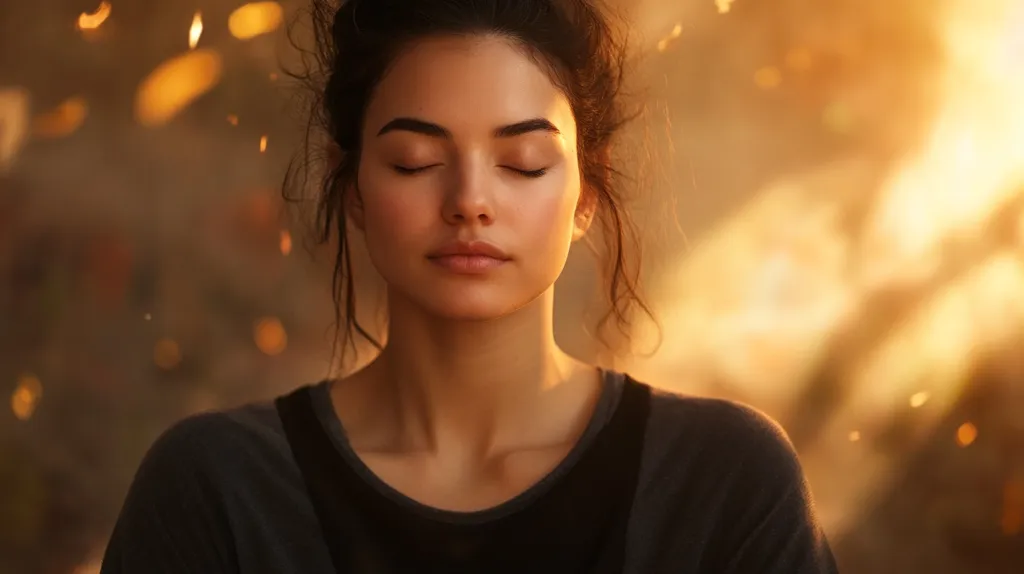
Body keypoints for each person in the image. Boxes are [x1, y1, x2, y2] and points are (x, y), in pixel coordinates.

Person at [100, 0, 840, 572]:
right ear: (352, 185)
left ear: (588, 192)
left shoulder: (721, 481)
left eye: (522, 162)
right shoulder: (218, 487)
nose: (470, 200)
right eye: (417, 160)